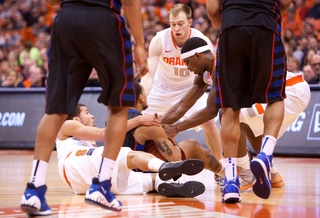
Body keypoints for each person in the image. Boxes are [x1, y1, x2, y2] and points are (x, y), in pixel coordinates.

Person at [20, 0, 148, 215]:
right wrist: (141, 44)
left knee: (55, 110)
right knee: (119, 107)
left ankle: (34, 189)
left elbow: (51, 1)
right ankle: (102, 185)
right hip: (104, 18)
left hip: (67, 19)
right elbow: (132, 2)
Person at [206, 0, 291, 203]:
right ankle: (265, 155)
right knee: (275, 96)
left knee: (230, 106)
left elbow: (212, 9)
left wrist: (229, 21)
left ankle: (231, 182)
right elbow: (286, 2)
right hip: (266, 25)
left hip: (232, 28)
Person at [56, 103, 205, 198]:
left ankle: (163, 184)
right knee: (133, 156)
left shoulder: (86, 141)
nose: (92, 115)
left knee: (147, 181)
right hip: (76, 162)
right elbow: (105, 134)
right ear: (76, 118)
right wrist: (140, 120)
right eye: (86, 112)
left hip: (81, 185)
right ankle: (164, 167)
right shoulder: (67, 124)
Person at [140, 3, 223, 166]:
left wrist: (177, 127)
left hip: (191, 87)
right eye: (172, 24)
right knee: (142, 122)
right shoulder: (160, 40)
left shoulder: (201, 41)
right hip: (161, 89)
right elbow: (149, 74)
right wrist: (143, 96)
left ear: (190, 22)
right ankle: (139, 165)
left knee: (209, 122)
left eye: (180, 23)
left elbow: (208, 74)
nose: (176, 28)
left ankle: (220, 165)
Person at [123, 81, 224, 179]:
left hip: (117, 170)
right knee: (192, 145)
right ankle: (225, 174)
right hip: (141, 173)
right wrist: (169, 139)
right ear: (141, 97)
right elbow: (175, 158)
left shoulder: (113, 123)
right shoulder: (151, 126)